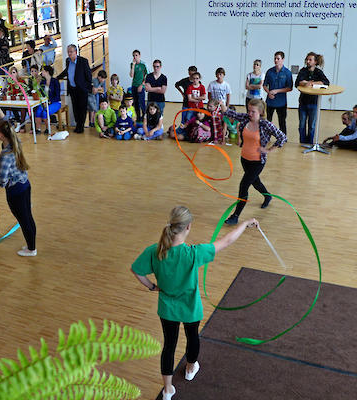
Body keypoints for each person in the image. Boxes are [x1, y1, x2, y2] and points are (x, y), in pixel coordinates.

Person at [131, 205, 259, 400]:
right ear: (188, 227)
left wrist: (152, 287)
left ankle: (167, 390)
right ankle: (191, 368)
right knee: (192, 337)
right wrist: (245, 223)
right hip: (191, 309)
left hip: (167, 310)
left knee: (169, 345)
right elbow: (227, 241)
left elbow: (137, 271)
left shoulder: (154, 251)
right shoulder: (193, 253)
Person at [220, 99, 287, 225]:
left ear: (261, 112)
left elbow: (282, 137)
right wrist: (222, 105)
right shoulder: (245, 119)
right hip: (244, 159)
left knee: (244, 186)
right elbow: (230, 114)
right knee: (255, 182)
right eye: (249, 110)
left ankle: (235, 216)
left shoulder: (266, 125)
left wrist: (269, 150)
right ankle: (267, 196)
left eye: (253, 111)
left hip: (257, 162)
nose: (249, 113)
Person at [0, 92, 37, 257]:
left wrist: (0, 175)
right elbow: (3, 121)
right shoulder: (15, 141)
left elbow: (2, 181)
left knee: (23, 219)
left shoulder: (7, 157)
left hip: (15, 191)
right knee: (27, 216)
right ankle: (31, 246)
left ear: (1, 135)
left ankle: (31, 249)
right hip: (25, 185)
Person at [55, 44, 92, 133]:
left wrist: (85, 88)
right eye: (68, 52)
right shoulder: (68, 61)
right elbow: (66, 71)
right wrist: (57, 77)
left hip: (82, 90)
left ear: (76, 52)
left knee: (82, 108)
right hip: (72, 89)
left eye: (71, 52)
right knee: (75, 108)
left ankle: (80, 126)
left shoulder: (83, 61)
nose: (69, 53)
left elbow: (89, 76)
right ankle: (77, 124)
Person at [295, 52, 330, 144]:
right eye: (307, 59)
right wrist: (305, 83)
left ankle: (310, 143)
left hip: (314, 103)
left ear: (315, 62)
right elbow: (297, 82)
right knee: (302, 125)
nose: (308, 61)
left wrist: (313, 83)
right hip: (303, 102)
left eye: (310, 60)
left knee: (312, 126)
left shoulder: (318, 72)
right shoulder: (303, 70)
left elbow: (326, 82)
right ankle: (302, 143)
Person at [263, 51, 293, 135]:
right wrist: (268, 92)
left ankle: (283, 138)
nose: (276, 60)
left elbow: (290, 88)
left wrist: (277, 91)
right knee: (268, 121)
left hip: (281, 102)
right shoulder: (270, 71)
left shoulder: (287, 73)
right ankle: (266, 137)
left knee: (282, 122)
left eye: (278, 59)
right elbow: (265, 85)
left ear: (282, 59)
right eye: (275, 58)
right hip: (270, 101)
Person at [34, 65, 60, 135]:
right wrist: (37, 83)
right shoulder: (43, 82)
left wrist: (49, 102)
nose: (41, 72)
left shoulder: (55, 81)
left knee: (45, 111)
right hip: (44, 102)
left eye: (42, 71)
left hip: (55, 102)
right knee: (38, 110)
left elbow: (57, 96)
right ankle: (38, 129)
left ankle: (48, 129)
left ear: (47, 72)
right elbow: (38, 92)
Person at [129, 50, 148, 121]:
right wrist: (133, 65)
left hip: (141, 86)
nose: (135, 57)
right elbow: (131, 75)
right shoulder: (132, 64)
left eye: (136, 55)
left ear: (139, 56)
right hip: (134, 85)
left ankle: (144, 117)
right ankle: (138, 117)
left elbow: (147, 76)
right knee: (135, 102)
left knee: (142, 102)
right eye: (133, 55)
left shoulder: (143, 65)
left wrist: (142, 85)